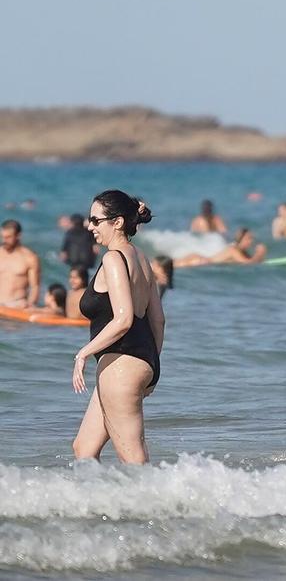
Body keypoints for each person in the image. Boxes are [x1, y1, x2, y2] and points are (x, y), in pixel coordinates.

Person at [72, 191, 164, 464]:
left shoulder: (114, 259)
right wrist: (153, 365)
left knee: (134, 460)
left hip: (121, 367)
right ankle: (99, 506)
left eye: (95, 220)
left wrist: (83, 353)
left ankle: (162, 506)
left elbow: (123, 319)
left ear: (118, 222)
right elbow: (158, 320)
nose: (90, 227)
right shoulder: (143, 260)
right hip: (140, 360)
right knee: (84, 450)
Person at [173, 228, 267, 268]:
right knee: (172, 265)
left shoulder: (242, 252)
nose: (251, 241)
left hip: (202, 260)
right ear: (241, 239)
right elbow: (247, 263)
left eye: (251, 238)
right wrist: (259, 253)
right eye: (248, 238)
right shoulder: (233, 250)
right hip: (198, 260)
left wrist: (260, 257)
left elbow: (252, 261)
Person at [0, 220, 40, 308]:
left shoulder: (30, 257)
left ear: (18, 236)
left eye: (8, 237)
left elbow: (35, 287)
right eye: (3, 237)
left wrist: (30, 305)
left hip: (16, 304)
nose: (4, 240)